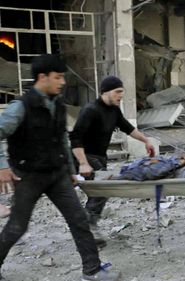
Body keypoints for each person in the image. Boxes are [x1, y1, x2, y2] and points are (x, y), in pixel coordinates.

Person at [0, 54, 119, 280]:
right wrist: (2, 166)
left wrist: (71, 171)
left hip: (57, 175)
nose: (62, 82)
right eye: (58, 77)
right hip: (29, 177)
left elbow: (63, 139)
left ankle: (92, 270)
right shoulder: (21, 107)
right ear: (42, 78)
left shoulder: (59, 106)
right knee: (17, 227)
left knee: (79, 219)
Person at [70, 75, 155, 246]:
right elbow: (75, 138)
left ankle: (86, 227)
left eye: (122, 92)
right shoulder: (90, 110)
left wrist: (146, 140)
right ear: (105, 92)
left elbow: (127, 128)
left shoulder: (114, 110)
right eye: (117, 92)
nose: (120, 96)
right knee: (102, 189)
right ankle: (88, 228)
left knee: (100, 191)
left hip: (100, 157)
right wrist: (83, 163)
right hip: (86, 157)